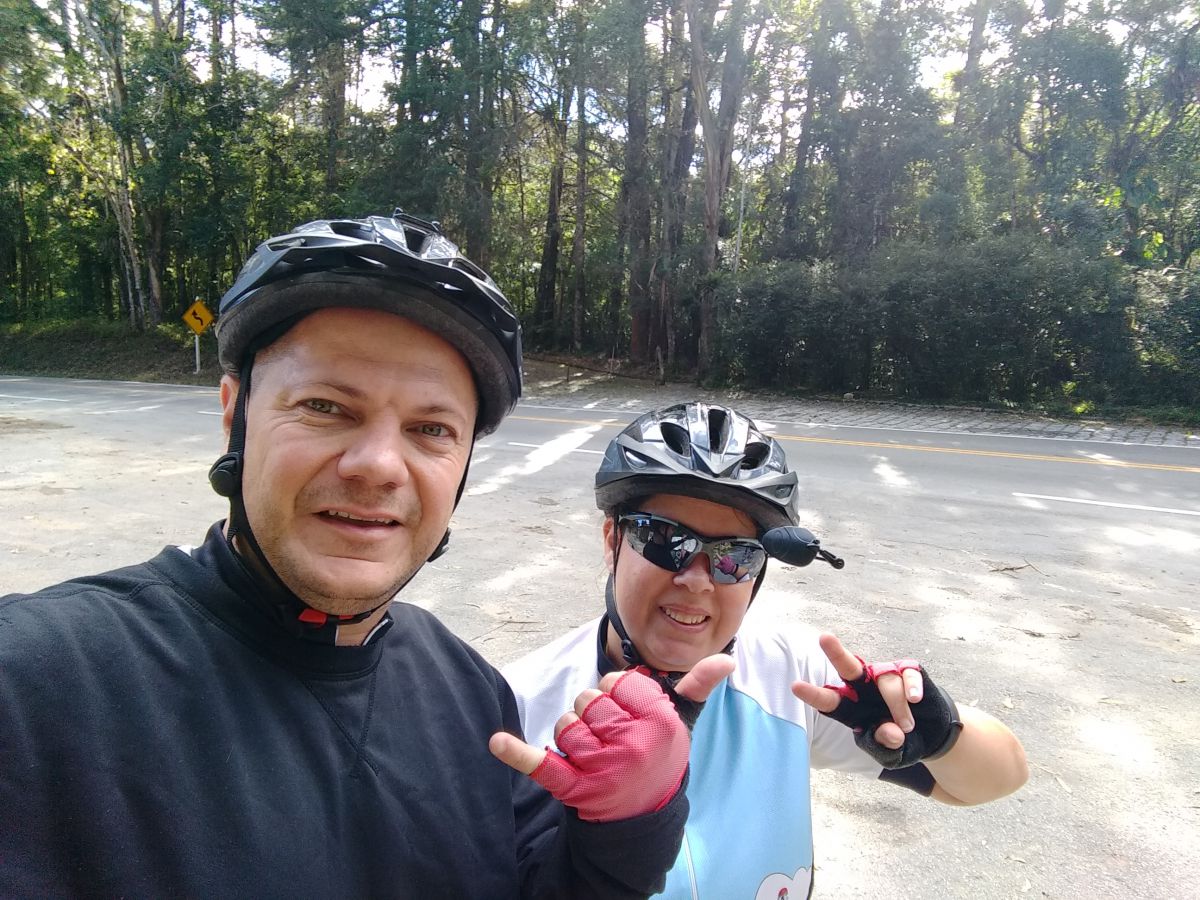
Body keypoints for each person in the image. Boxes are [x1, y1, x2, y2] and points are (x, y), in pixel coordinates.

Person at [0, 212, 713, 898]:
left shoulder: (467, 691)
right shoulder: (37, 689)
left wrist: (630, 824)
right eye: (325, 407)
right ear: (234, 416)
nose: (377, 466)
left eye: (431, 429)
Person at [504, 402, 1029, 900]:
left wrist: (938, 734)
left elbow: (992, 781)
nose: (697, 580)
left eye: (736, 556)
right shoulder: (519, 708)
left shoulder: (789, 675)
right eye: (663, 539)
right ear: (611, 541)